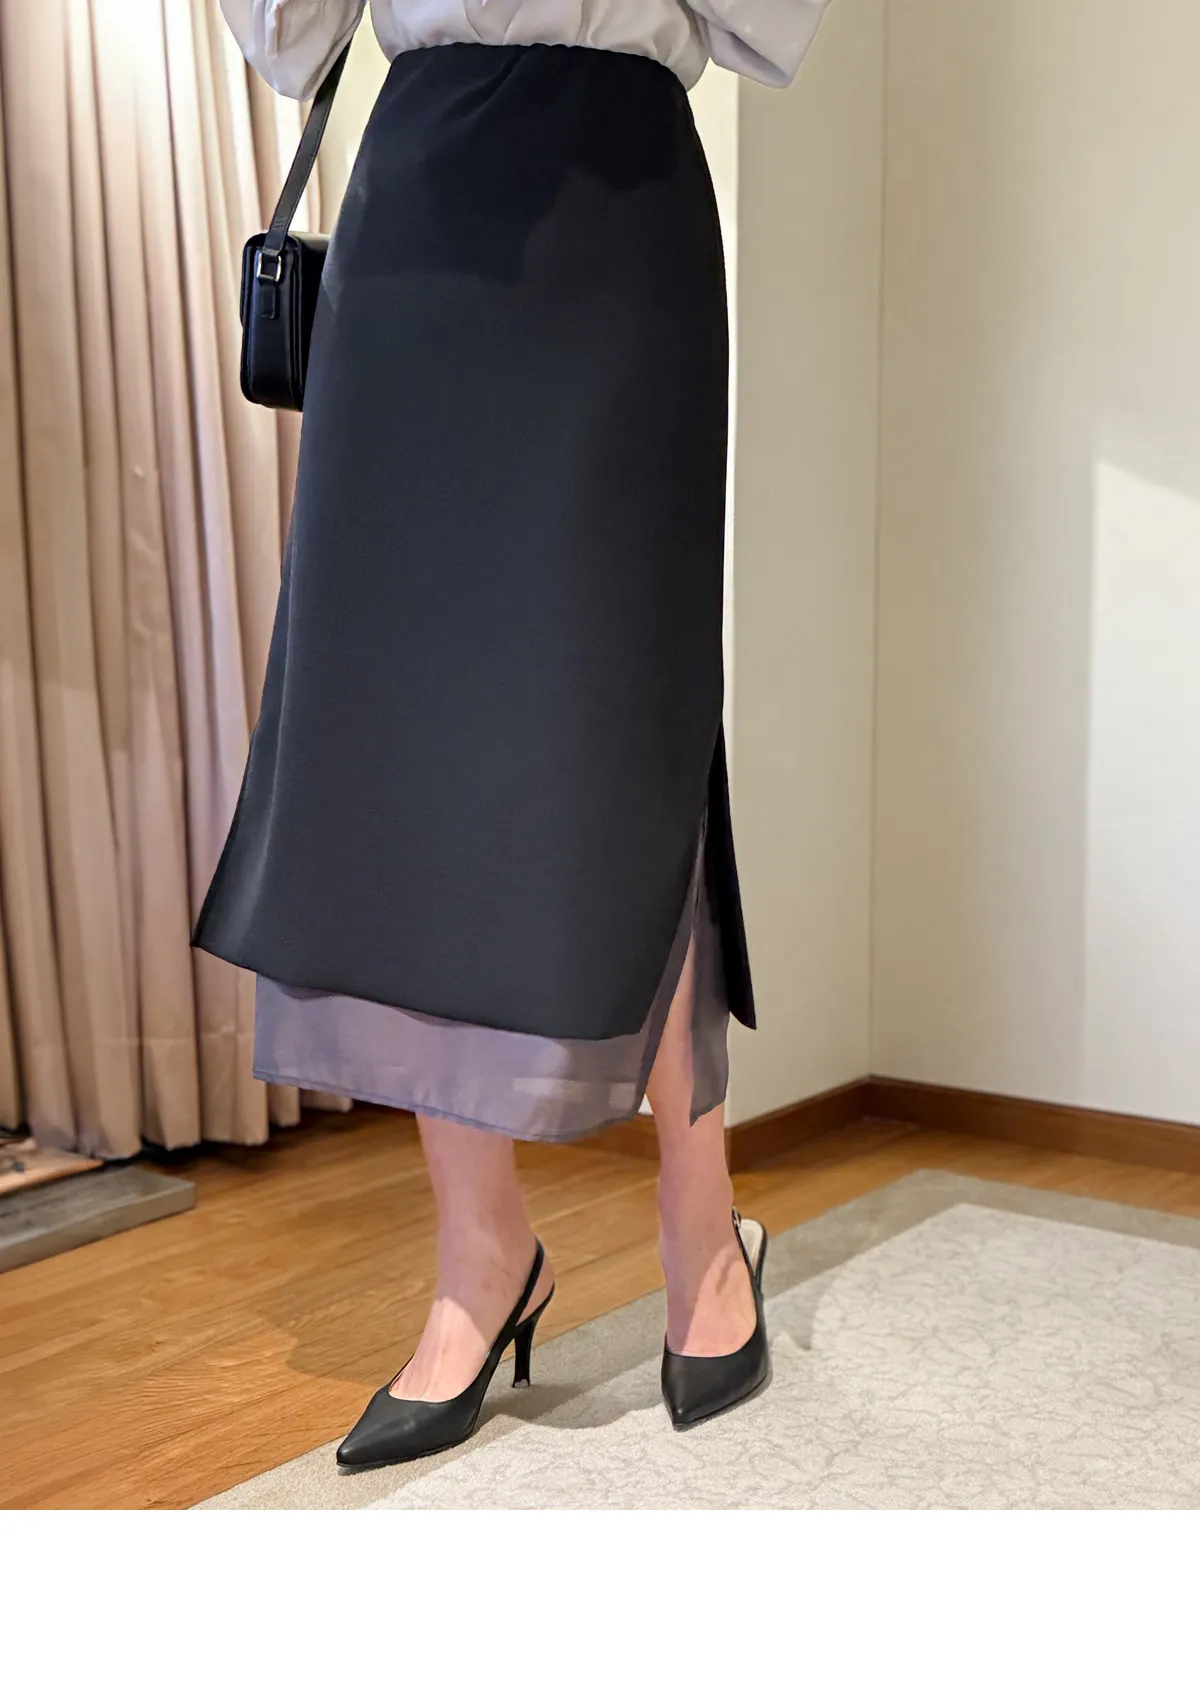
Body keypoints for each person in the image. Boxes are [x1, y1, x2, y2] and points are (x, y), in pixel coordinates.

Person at [198, 0, 831, 1470]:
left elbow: (767, 24)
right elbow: (288, 33)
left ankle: (702, 1225)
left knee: (629, 725)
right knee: (413, 738)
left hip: (621, 208)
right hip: (420, 222)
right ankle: (480, 1255)